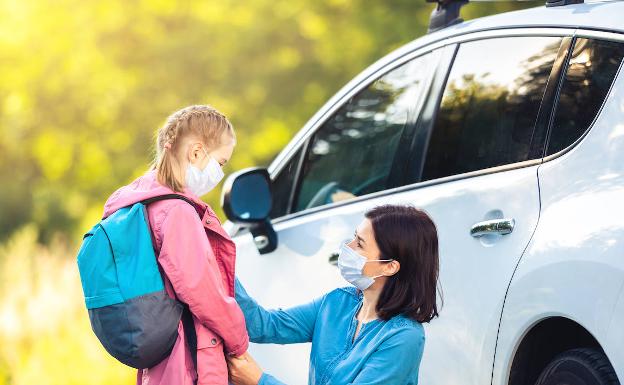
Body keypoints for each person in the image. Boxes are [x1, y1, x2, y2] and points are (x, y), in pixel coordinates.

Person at [102, 105, 249, 385]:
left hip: (162, 361)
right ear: (196, 152)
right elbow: (203, 292)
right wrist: (240, 341)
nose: (219, 173)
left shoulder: (139, 203)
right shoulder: (177, 212)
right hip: (191, 361)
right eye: (221, 163)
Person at [227, 204, 440, 385]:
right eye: (354, 237)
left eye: (360, 244)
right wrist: (220, 265)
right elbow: (264, 325)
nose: (348, 247)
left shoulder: (404, 337)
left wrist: (260, 381)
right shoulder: (337, 302)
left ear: (389, 267)